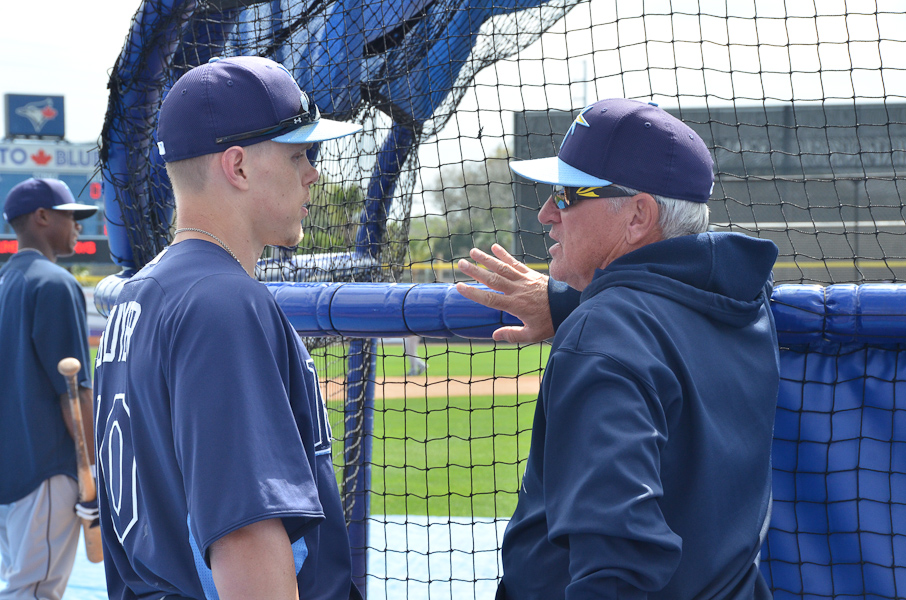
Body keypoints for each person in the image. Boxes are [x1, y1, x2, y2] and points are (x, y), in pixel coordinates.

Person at [456, 98, 780, 599]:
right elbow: (668, 307)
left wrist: (587, 315)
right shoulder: (746, 305)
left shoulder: (604, 337)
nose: (546, 213)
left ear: (638, 216)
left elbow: (617, 567)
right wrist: (570, 302)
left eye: (566, 195)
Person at [93, 56, 363, 600]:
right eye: (297, 155)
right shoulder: (222, 303)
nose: (313, 173)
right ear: (237, 167)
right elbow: (244, 537)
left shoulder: (141, 293)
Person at [0, 178, 98, 600]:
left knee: (22, 585)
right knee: (34, 593)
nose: (78, 226)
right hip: (46, 471)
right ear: (42, 217)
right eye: (70, 216)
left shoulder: (5, 282)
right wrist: (94, 476)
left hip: (10, 472)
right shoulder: (54, 283)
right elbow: (74, 393)